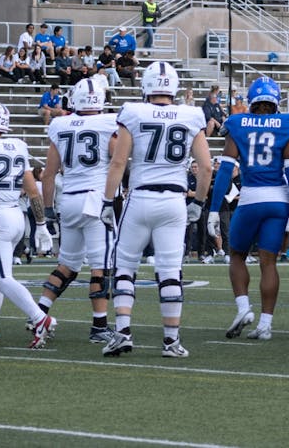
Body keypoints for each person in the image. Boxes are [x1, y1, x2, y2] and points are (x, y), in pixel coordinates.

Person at [100, 61, 211, 358]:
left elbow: (118, 163)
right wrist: (198, 202)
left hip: (140, 197)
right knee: (170, 270)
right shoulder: (191, 115)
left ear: (146, 85)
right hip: (174, 200)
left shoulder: (134, 112)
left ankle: (122, 332)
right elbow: (207, 167)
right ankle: (171, 341)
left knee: (125, 266)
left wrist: (108, 201)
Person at [209, 77, 289, 342]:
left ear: (252, 100)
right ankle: (266, 324)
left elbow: (226, 169)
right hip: (279, 199)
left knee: (237, 255)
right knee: (268, 262)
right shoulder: (287, 124)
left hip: (250, 198)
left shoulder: (238, 124)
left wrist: (214, 208)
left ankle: (243, 309)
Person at [0, 100, 55, 348]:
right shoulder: (18, 145)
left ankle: (40, 318)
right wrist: (41, 223)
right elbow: (32, 190)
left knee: (0, 277)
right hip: (17, 216)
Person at [39, 78, 118, 342]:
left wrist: (48, 210)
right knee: (101, 266)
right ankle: (99, 326)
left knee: (68, 265)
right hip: (95, 200)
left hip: (69, 200)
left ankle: (38, 313)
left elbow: (48, 174)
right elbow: (119, 161)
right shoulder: (109, 123)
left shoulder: (59, 124)